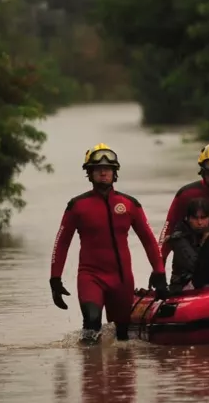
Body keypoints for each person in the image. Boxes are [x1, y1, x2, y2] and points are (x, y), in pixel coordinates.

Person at [50, 143, 169, 344]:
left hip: (122, 279)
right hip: (91, 276)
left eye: (108, 169)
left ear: (115, 173)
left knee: (122, 337)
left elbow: (148, 240)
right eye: (98, 169)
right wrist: (55, 280)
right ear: (89, 173)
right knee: (92, 323)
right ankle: (90, 369)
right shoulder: (76, 206)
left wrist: (159, 272)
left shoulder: (130, 204)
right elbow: (61, 243)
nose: (103, 173)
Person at [166, 197, 209, 293]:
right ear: (187, 218)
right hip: (182, 287)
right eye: (195, 218)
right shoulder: (178, 238)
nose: (200, 222)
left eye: (203, 218)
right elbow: (196, 267)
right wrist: (205, 243)